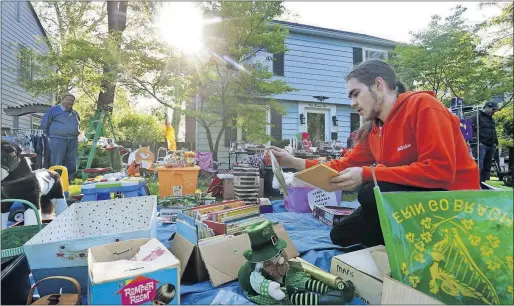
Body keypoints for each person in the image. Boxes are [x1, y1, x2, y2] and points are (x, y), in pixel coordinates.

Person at [270, 60, 480, 248]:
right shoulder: (375, 129)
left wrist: (368, 174)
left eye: (355, 94)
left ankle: (427, 240)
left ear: (378, 85)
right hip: (410, 200)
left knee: (369, 192)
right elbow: (345, 164)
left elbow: (440, 172)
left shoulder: (423, 107)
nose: (352, 103)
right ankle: (401, 240)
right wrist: (292, 161)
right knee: (341, 235)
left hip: (453, 200)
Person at [41, 93, 80, 181]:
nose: (70, 102)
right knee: (57, 160)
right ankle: (55, 179)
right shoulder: (54, 110)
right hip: (57, 139)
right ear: (62, 100)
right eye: (68, 99)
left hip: (73, 140)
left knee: (71, 160)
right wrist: (48, 137)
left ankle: (70, 179)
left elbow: (77, 125)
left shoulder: (75, 113)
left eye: (72, 100)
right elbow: (45, 124)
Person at [467, 101, 499, 182]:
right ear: (487, 107)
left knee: (487, 168)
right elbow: (466, 128)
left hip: (490, 145)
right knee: (479, 167)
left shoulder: (491, 119)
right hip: (480, 145)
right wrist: (475, 141)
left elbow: (493, 131)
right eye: (493, 109)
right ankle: (477, 185)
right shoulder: (476, 116)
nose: (494, 112)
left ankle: (485, 185)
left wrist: (495, 142)